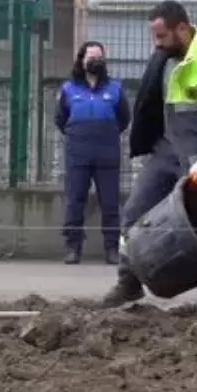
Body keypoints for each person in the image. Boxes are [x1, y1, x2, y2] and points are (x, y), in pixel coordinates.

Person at [102, 0, 197, 310]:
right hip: (167, 152)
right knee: (134, 213)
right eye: (155, 37)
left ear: (182, 29)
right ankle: (128, 283)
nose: (157, 44)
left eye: (162, 37)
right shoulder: (164, 59)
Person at [55, 41, 131, 265]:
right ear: (81, 60)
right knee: (75, 199)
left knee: (110, 201)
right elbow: (61, 119)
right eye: (91, 57)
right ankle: (72, 247)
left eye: (100, 58)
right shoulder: (68, 89)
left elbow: (124, 119)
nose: (96, 61)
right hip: (78, 152)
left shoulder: (115, 89)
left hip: (107, 152)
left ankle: (112, 248)